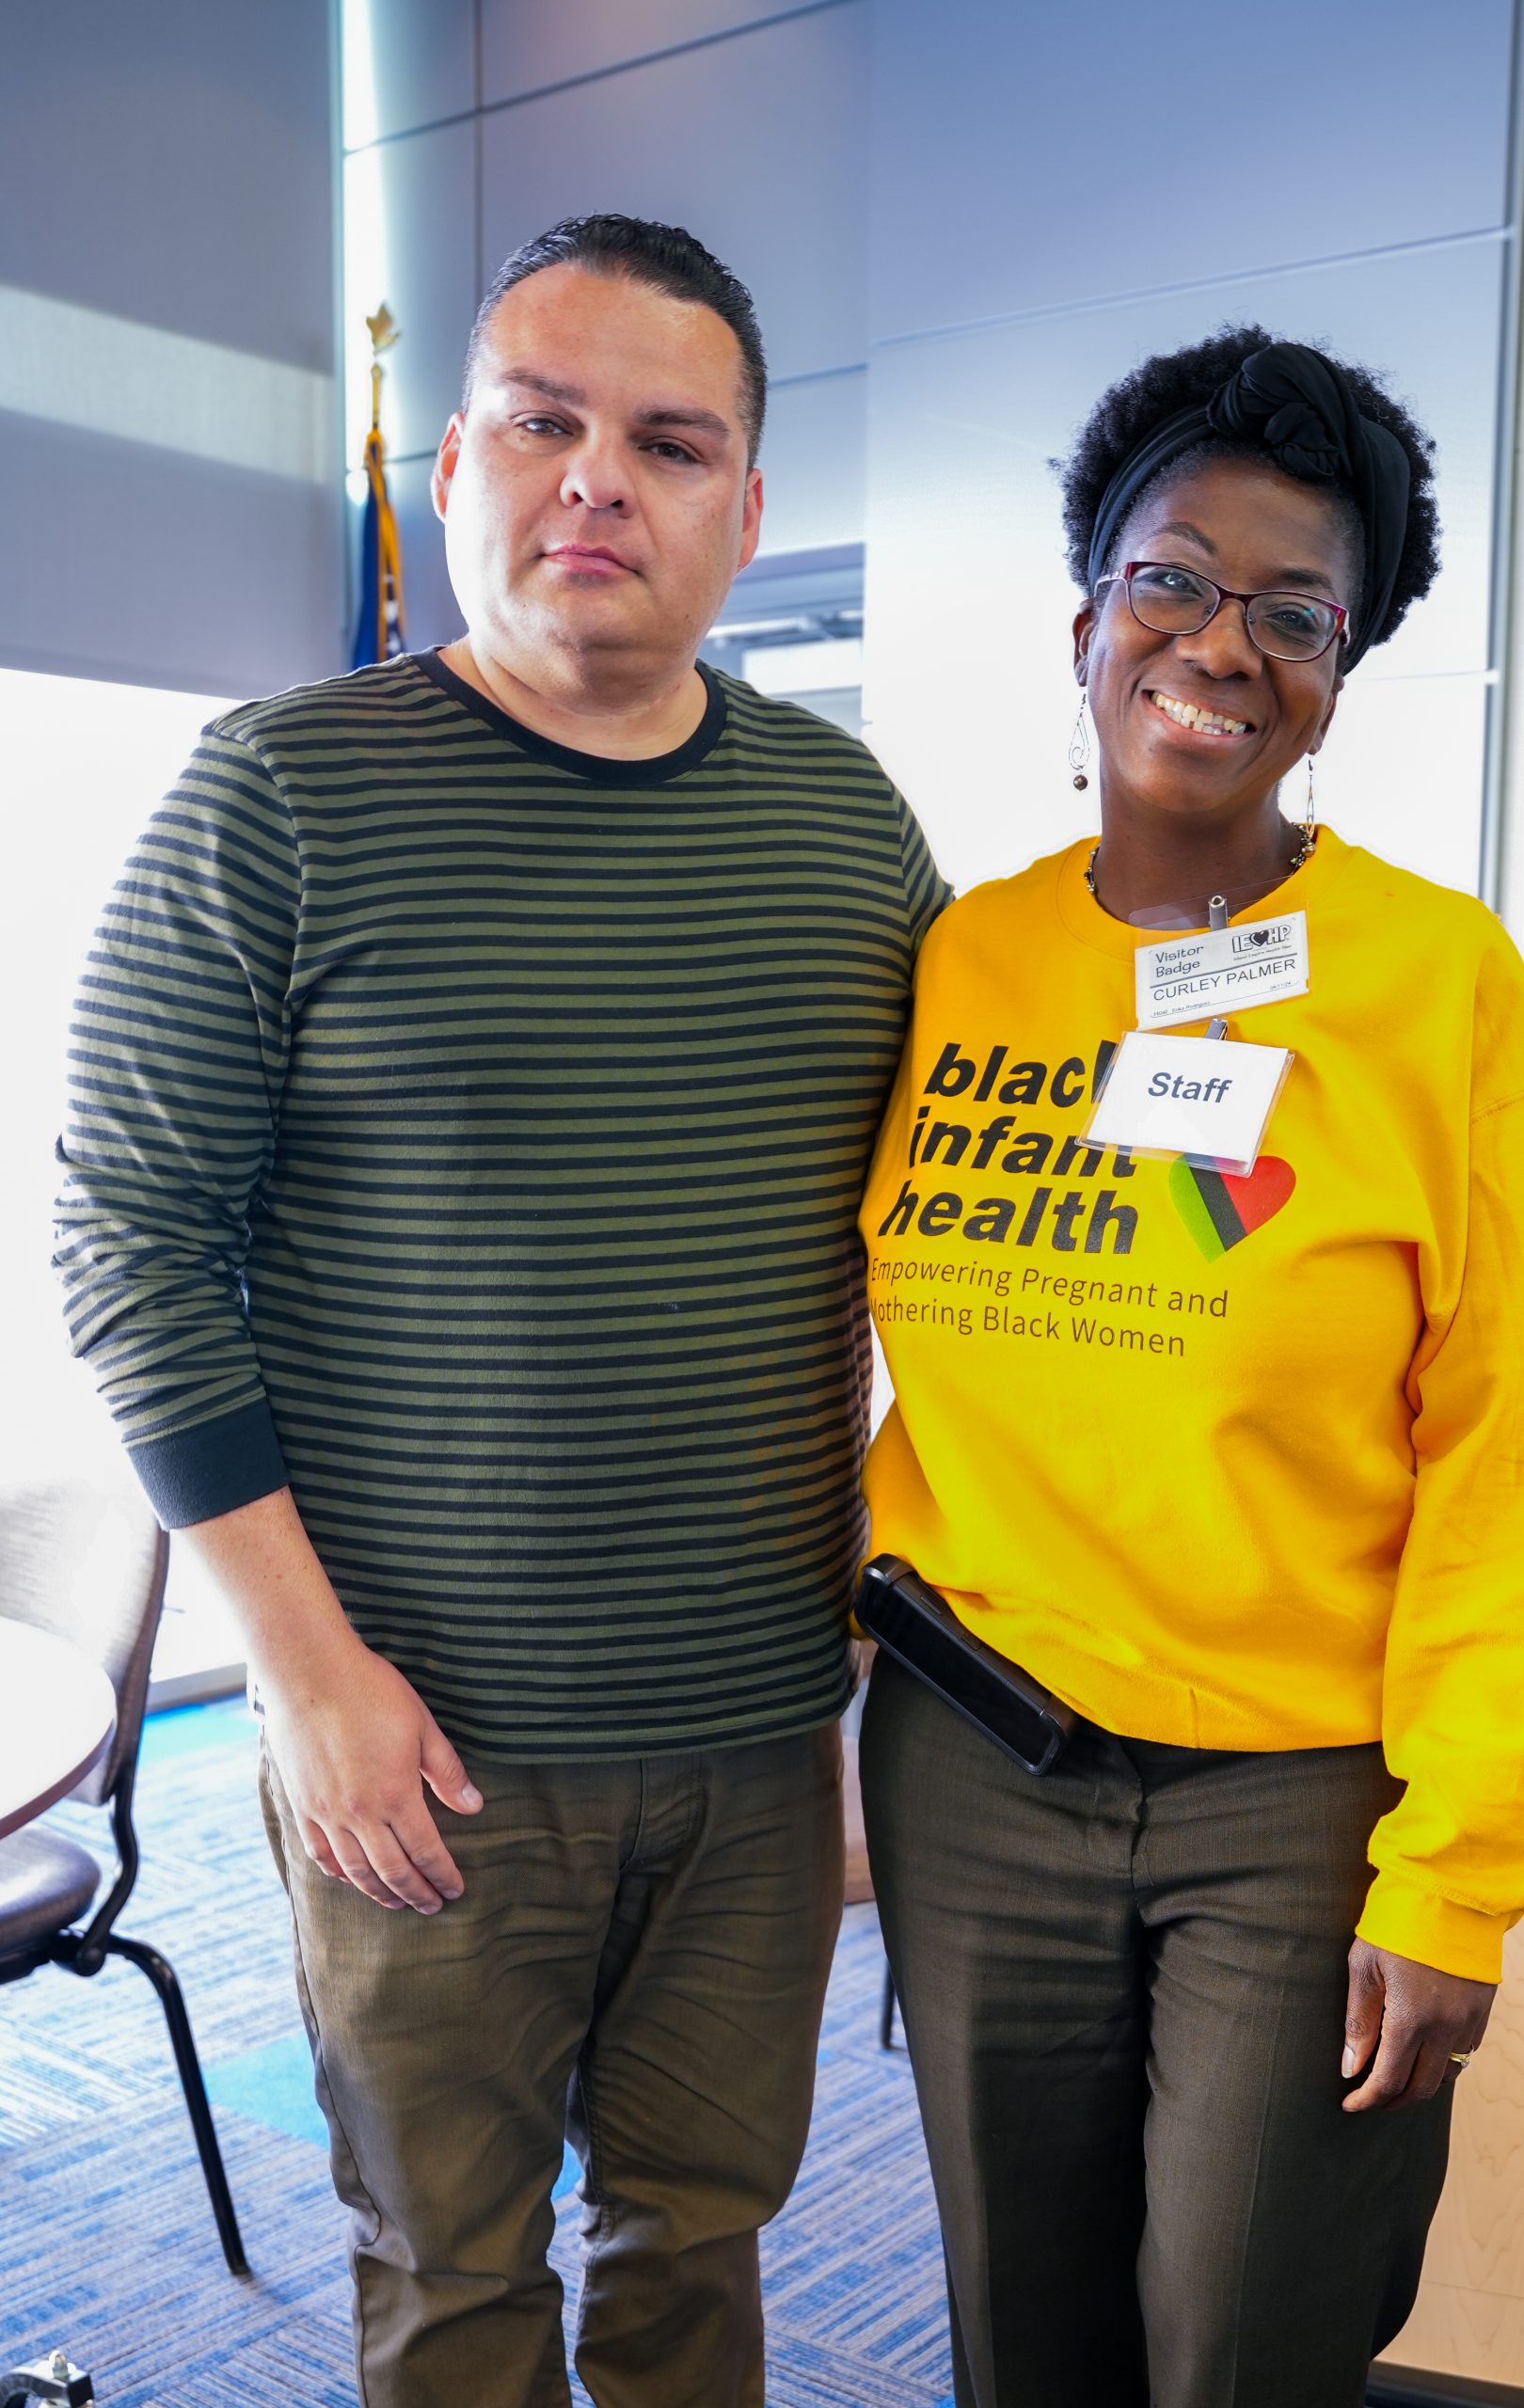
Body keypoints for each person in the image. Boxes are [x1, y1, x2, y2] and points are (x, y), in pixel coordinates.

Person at [55, 214, 945, 2408]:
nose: (595, 480)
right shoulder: (273, 797)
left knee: (698, 2243)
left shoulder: (847, 829)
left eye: (668, 439)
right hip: (414, 1738)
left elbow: (931, 1252)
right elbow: (125, 1243)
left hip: (749, 1734)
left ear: (745, 508)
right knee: (451, 2274)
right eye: (543, 421)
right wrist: (309, 1673)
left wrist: (853, 1693)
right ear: (450, 462)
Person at [857, 328, 1524, 2408]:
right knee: (1022, 2327)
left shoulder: (1434, 982)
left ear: (1340, 671)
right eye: (1173, 577)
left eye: (1294, 612)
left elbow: (1516, 1455)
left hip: (1296, 1798)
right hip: (974, 1758)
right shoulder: (957, 956)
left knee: (1244, 2333)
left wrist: (1454, 1875)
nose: (1220, 643)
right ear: (1086, 613)